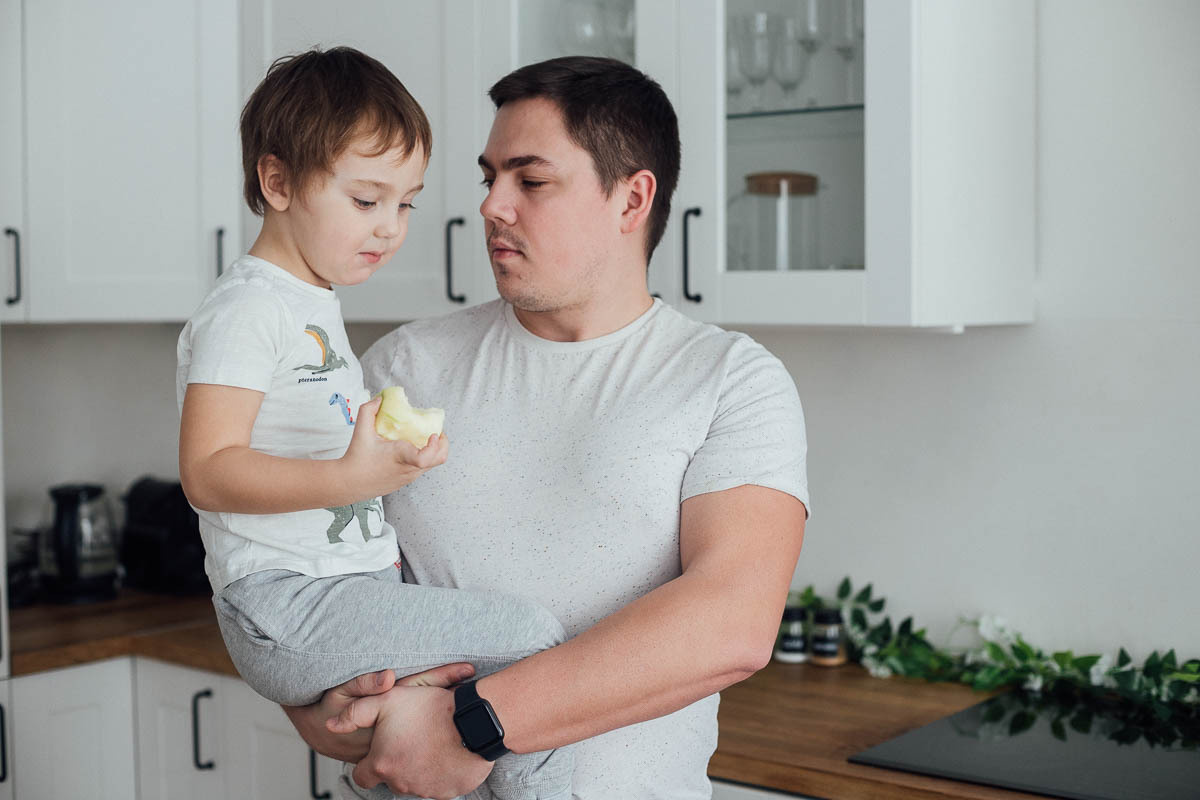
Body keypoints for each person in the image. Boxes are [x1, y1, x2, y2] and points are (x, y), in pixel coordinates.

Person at [286, 56, 810, 800]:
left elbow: (732, 619)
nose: (493, 205)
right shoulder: (402, 368)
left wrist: (473, 726)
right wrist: (323, 706)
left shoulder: (728, 380)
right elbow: (295, 583)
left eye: (530, 180)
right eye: (489, 177)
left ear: (632, 200)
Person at [175, 46, 574, 800]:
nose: (391, 228)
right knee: (533, 642)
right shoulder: (248, 309)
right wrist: (350, 478)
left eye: (406, 202)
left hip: (337, 595)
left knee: (438, 702)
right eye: (366, 200)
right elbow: (206, 470)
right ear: (278, 181)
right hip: (288, 602)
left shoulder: (308, 300)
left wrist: (388, 460)